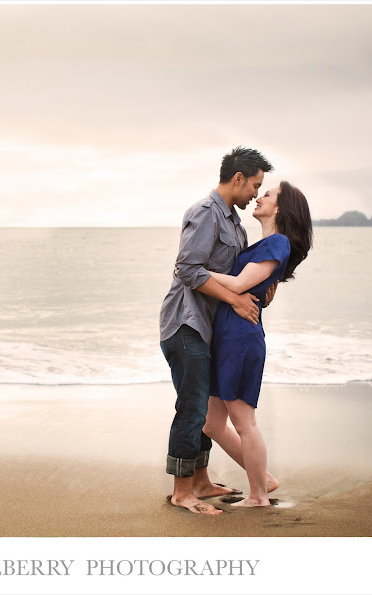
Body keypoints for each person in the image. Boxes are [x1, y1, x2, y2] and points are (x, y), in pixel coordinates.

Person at [159, 146, 274, 515]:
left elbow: (240, 280)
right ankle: (181, 492)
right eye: (255, 185)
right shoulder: (204, 213)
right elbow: (188, 270)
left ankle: (202, 482)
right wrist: (235, 300)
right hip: (185, 324)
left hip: (209, 330)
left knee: (207, 410)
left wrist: (259, 291)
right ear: (237, 178)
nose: (256, 193)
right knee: (192, 408)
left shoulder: (235, 225)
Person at [203, 181, 313, 507]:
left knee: (244, 421)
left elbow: (238, 284)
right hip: (227, 336)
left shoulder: (277, 243)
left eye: (268, 194)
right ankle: (262, 478)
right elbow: (246, 286)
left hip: (240, 339)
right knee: (212, 424)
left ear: (281, 208)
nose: (259, 196)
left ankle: (258, 496)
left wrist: (196, 271)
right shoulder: (263, 244)